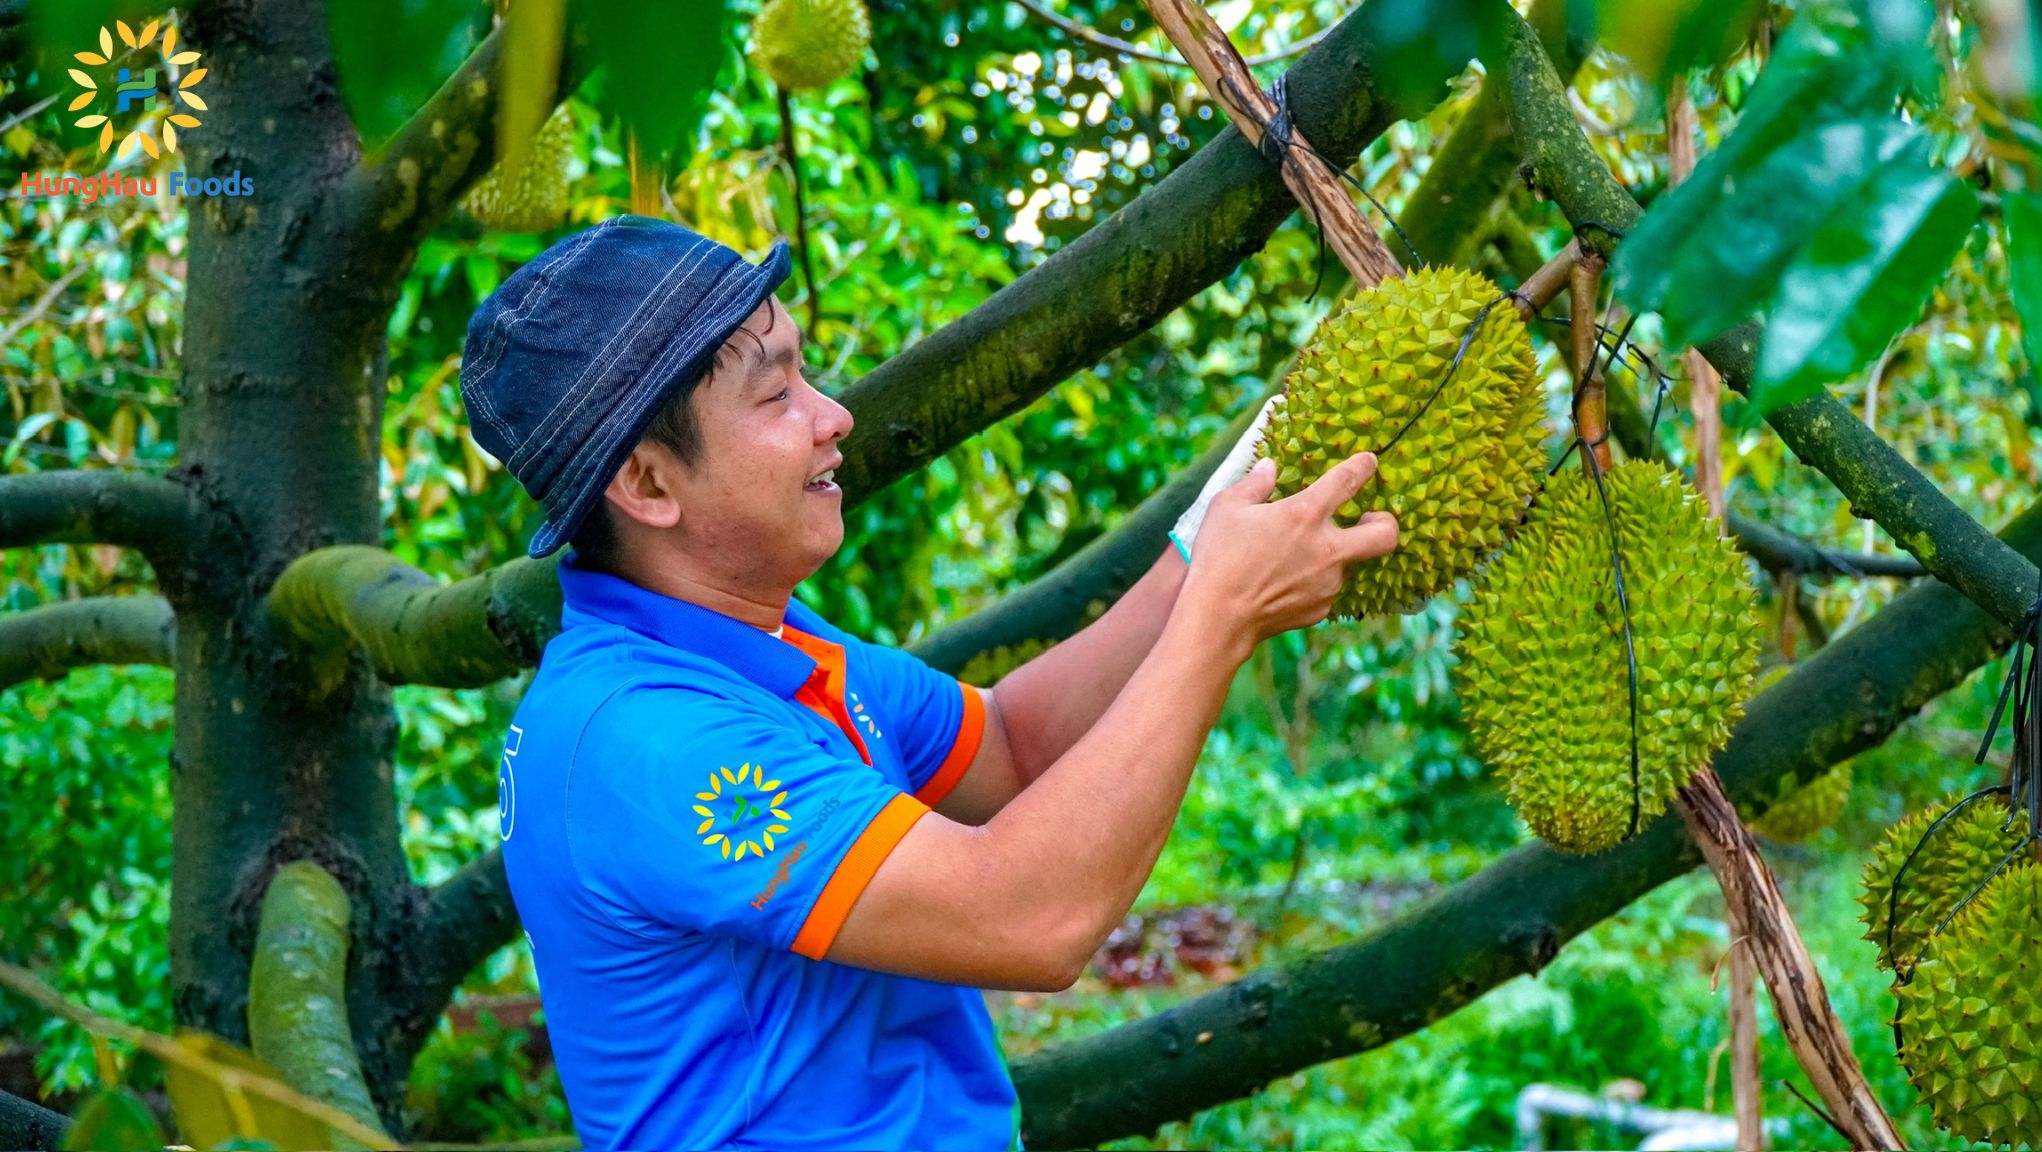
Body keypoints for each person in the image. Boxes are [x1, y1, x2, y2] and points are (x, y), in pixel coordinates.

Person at [457, 214, 1399, 1150]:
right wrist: (1220, 619)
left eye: (806, 373)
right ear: (649, 485)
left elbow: (1014, 747)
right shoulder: (644, 741)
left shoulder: (753, 641)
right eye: (776, 393)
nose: (833, 416)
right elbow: (1032, 919)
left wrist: (1215, 528)